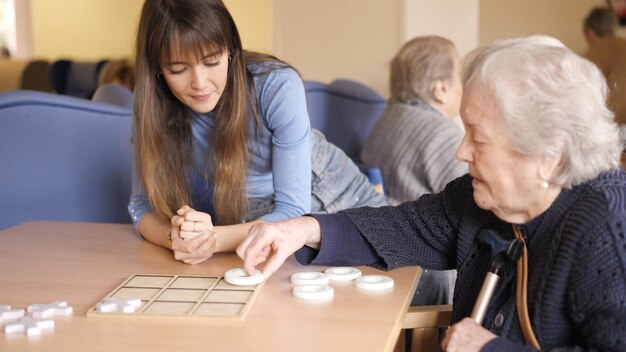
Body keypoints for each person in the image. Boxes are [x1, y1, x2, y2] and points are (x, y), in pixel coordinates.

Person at [237, 35, 626, 351]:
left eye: (479, 138)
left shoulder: (607, 226)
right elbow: (403, 226)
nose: (461, 151)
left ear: (547, 157)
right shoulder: (479, 201)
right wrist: (302, 230)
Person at [128, 0, 386, 265]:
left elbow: (293, 211)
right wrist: (176, 239)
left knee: (407, 274)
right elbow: (141, 206)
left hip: (325, 195)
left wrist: (210, 240)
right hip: (250, 219)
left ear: (230, 50)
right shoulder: (149, 103)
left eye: (212, 62)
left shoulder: (276, 85)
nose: (200, 84)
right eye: (178, 69)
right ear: (157, 68)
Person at [361, 35, 467, 206]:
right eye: (461, 75)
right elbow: (471, 203)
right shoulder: (442, 135)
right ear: (440, 89)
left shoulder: (386, 119)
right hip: (415, 227)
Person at [583, 7, 626, 132]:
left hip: (617, 127)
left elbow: (582, 94)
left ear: (589, 32)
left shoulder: (597, 51)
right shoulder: (623, 44)